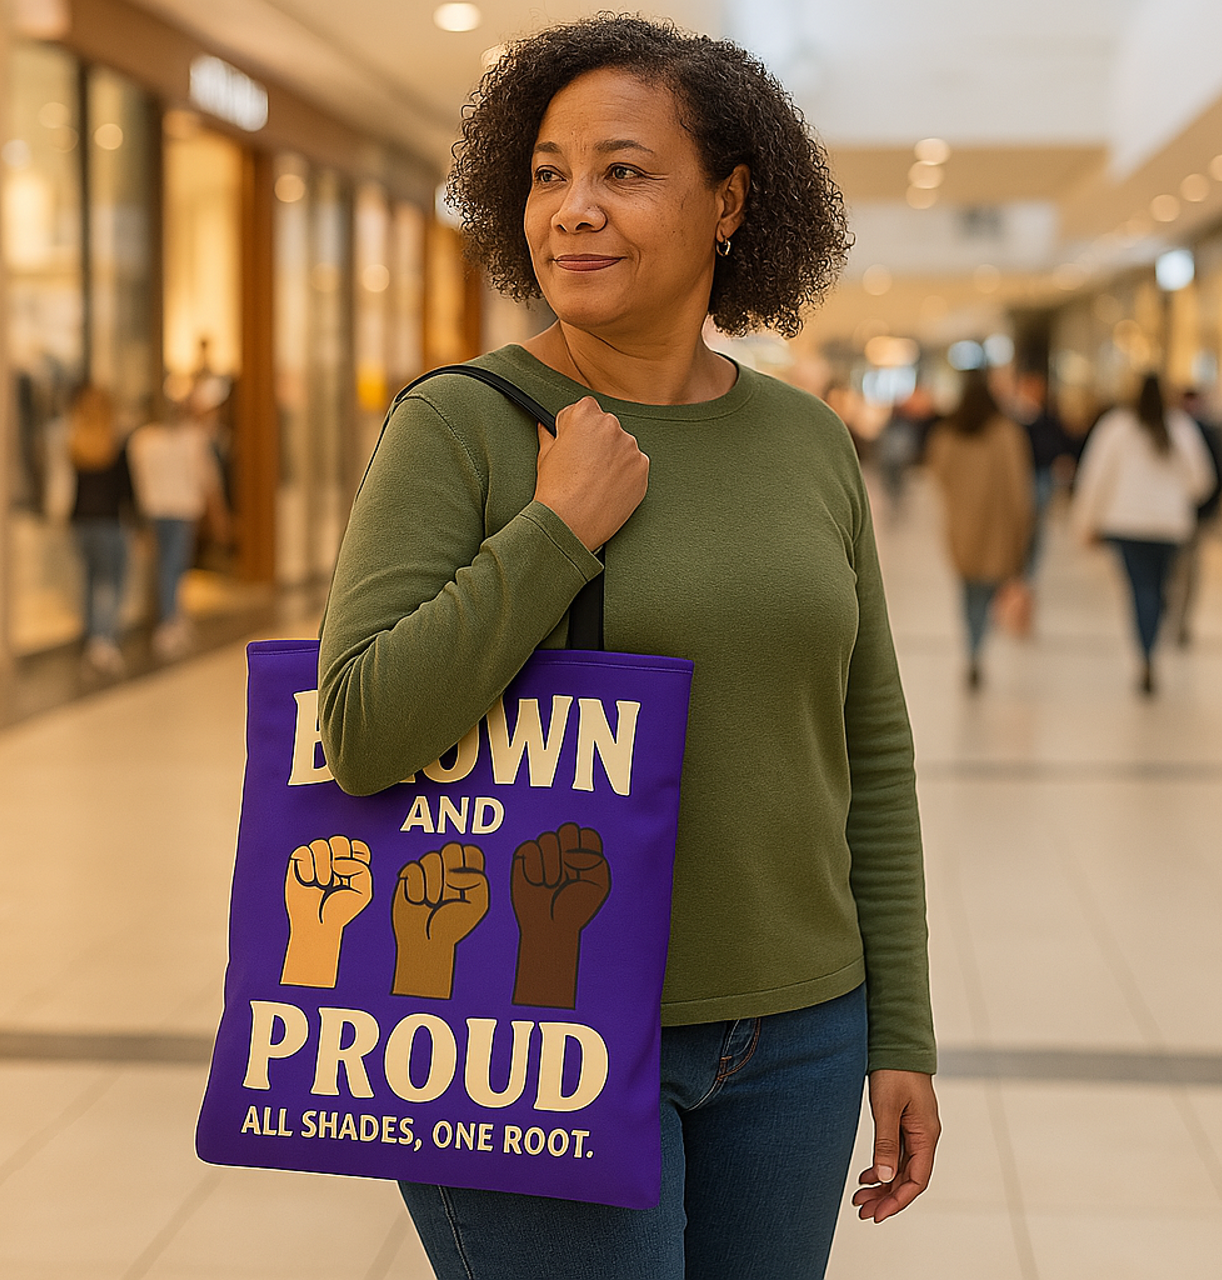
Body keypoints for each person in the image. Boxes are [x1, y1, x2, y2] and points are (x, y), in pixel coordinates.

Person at [318, 15, 939, 1279]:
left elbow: (865, 744)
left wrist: (900, 1028)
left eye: (623, 170)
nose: (573, 209)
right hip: (530, 1020)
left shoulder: (807, 441)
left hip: (800, 1031)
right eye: (548, 174)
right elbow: (361, 727)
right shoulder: (461, 425)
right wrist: (554, 532)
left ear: (729, 202)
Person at [1072, 373, 1215, 695]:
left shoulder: (1116, 427)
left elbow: (1095, 478)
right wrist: (1177, 499)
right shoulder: (1181, 428)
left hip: (1127, 526)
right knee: (1159, 588)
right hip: (1168, 527)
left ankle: (1146, 654)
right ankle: (1152, 642)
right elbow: (1201, 481)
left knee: (1141, 590)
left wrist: (1085, 522)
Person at [926, 370, 1034, 690]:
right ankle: (979, 646)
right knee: (987, 591)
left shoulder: (949, 433)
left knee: (969, 592)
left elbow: (938, 474)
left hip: (962, 526)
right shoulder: (1006, 433)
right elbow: (1019, 487)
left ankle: (972, 649)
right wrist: (1023, 527)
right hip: (997, 526)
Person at [126, 402, 227, 659]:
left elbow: (138, 479)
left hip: (156, 509)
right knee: (173, 566)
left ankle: (172, 617)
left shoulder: (143, 440)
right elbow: (207, 478)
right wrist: (218, 514)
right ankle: (169, 622)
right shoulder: (191, 439)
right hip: (180, 510)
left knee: (167, 566)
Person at [67, 384, 133, 676]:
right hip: (108, 520)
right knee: (111, 582)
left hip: (82, 522)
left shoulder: (76, 441)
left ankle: (92, 636)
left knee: (91, 580)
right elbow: (125, 490)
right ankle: (104, 640)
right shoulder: (115, 442)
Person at [1165, 387, 1222, 645]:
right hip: (1174, 514)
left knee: (1186, 568)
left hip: (1193, 513)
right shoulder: (1172, 429)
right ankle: (1173, 615)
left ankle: (1180, 620)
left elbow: (1217, 473)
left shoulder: (1205, 432)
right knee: (1178, 568)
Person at [1013, 368, 1069, 579]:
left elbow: (1057, 444)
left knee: (1036, 525)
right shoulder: (1015, 417)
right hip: (1021, 476)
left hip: (1042, 476)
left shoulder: (1047, 417)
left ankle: (1028, 570)